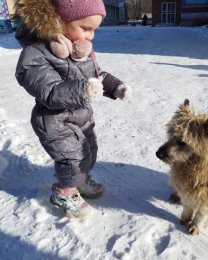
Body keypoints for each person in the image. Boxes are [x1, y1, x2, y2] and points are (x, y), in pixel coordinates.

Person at [15, 0, 132, 218]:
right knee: (72, 157)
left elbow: (96, 76)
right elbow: (49, 90)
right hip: (54, 120)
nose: (91, 36)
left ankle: (81, 180)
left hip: (80, 116)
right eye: (85, 28)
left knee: (90, 150)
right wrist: (83, 90)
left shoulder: (80, 49)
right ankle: (64, 192)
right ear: (60, 21)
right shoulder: (36, 53)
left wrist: (115, 87)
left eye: (94, 30)